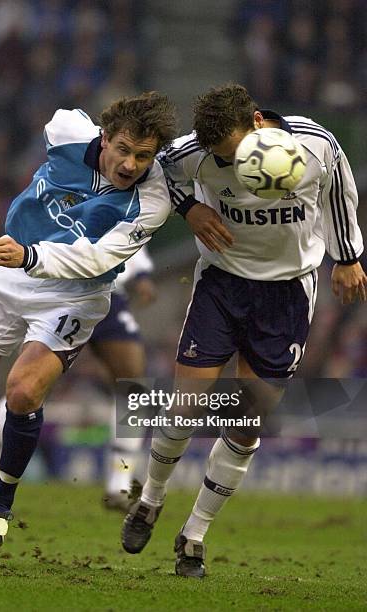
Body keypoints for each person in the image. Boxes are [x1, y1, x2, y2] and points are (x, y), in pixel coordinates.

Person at [0, 91, 177, 554]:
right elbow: (61, 117)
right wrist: (21, 251)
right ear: (104, 138)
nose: (129, 164)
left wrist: (30, 254)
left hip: (73, 294)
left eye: (143, 156)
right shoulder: (67, 132)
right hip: (3, 273)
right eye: (123, 149)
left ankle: (1, 500)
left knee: (24, 391)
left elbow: (97, 257)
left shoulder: (152, 200)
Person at [121, 83, 366, 578]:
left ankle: (193, 535)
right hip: (223, 284)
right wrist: (191, 207)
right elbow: (156, 172)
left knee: (246, 420)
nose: (228, 163)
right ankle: (149, 499)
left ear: (257, 123)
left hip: (287, 293)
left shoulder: (315, 144)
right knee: (187, 403)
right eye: (220, 158)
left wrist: (348, 257)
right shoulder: (193, 154)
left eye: (233, 154)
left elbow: (339, 188)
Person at [0, 246, 156, 513]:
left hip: (110, 293)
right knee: (28, 388)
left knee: (135, 388)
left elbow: (130, 232)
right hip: (63, 292)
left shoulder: (130, 204)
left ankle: (119, 485)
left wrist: (140, 276)